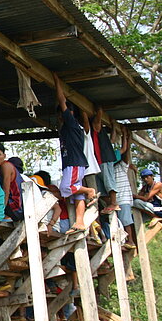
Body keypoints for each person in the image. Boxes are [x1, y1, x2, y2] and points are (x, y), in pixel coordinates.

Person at [54, 73, 97, 234]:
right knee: (75, 195)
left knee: (65, 188)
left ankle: (89, 191)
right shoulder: (69, 128)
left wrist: (57, 81)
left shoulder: (71, 122)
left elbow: (61, 100)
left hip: (73, 163)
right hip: (75, 164)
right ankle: (79, 222)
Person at [0, 141, 24, 221]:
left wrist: (1, 212)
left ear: (4, 155)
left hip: (16, 208)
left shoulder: (5, 166)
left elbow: (6, 192)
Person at [92, 109, 120, 214]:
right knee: (102, 185)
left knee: (109, 181)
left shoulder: (96, 130)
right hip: (100, 161)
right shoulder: (104, 138)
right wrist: (113, 126)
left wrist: (99, 111)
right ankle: (109, 204)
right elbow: (112, 139)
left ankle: (113, 202)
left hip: (104, 159)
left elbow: (97, 122)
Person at [113, 124, 136, 247]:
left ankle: (130, 241)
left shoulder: (121, 166)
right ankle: (126, 240)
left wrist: (125, 137)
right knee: (122, 221)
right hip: (119, 199)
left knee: (126, 221)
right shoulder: (110, 168)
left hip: (123, 199)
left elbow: (125, 151)